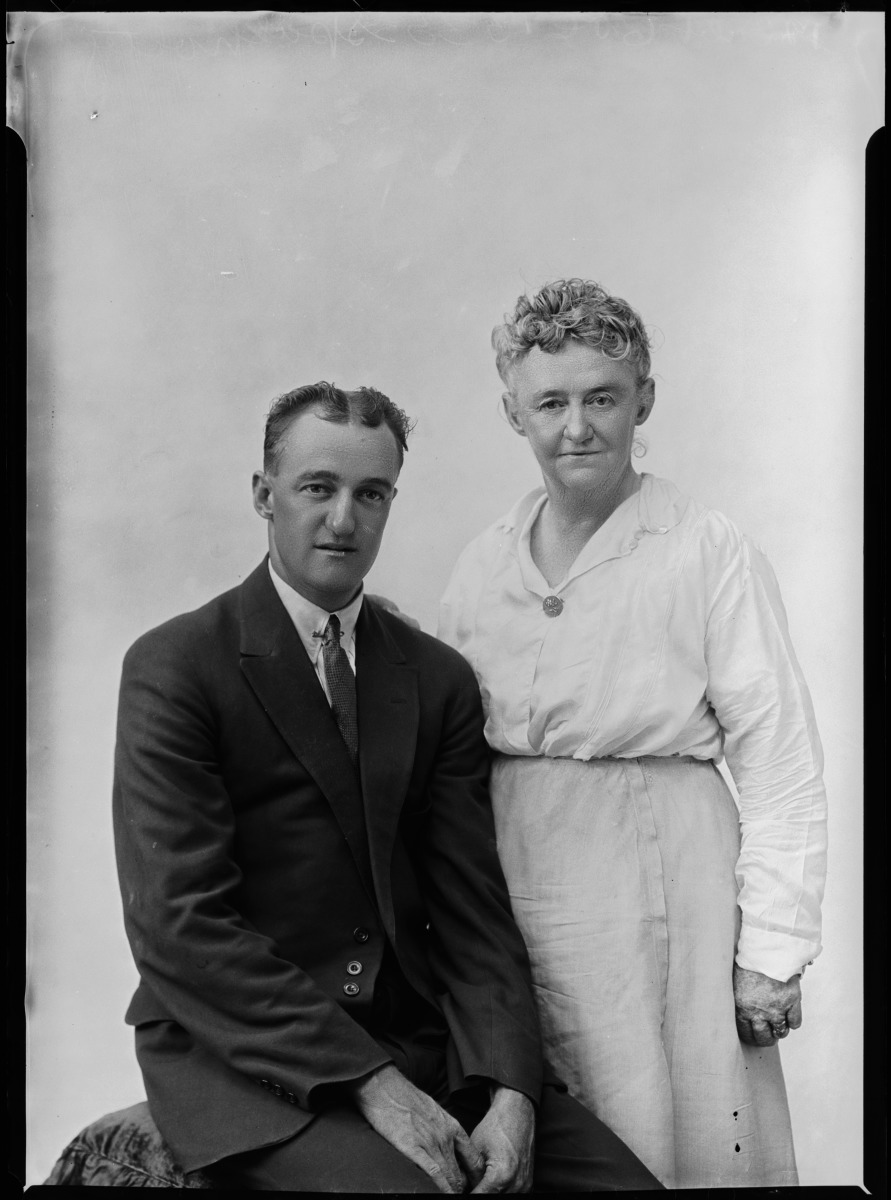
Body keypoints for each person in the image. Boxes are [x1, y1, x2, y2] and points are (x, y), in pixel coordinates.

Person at [111, 380, 662, 1193]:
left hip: (424, 1048)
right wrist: (371, 1085)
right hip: (248, 1061)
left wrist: (511, 1088)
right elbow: (179, 926)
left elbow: (472, 911)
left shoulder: (433, 677)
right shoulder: (176, 666)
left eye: (370, 494)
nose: (343, 520)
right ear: (264, 495)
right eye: (317, 489)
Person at [438, 280, 828, 1190]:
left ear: (641, 400)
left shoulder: (702, 545)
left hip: (665, 881)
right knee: (539, 1111)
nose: (576, 426)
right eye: (551, 402)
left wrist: (772, 951)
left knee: (671, 1126)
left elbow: (777, 757)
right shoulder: (486, 556)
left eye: (601, 398)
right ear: (514, 413)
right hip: (517, 868)